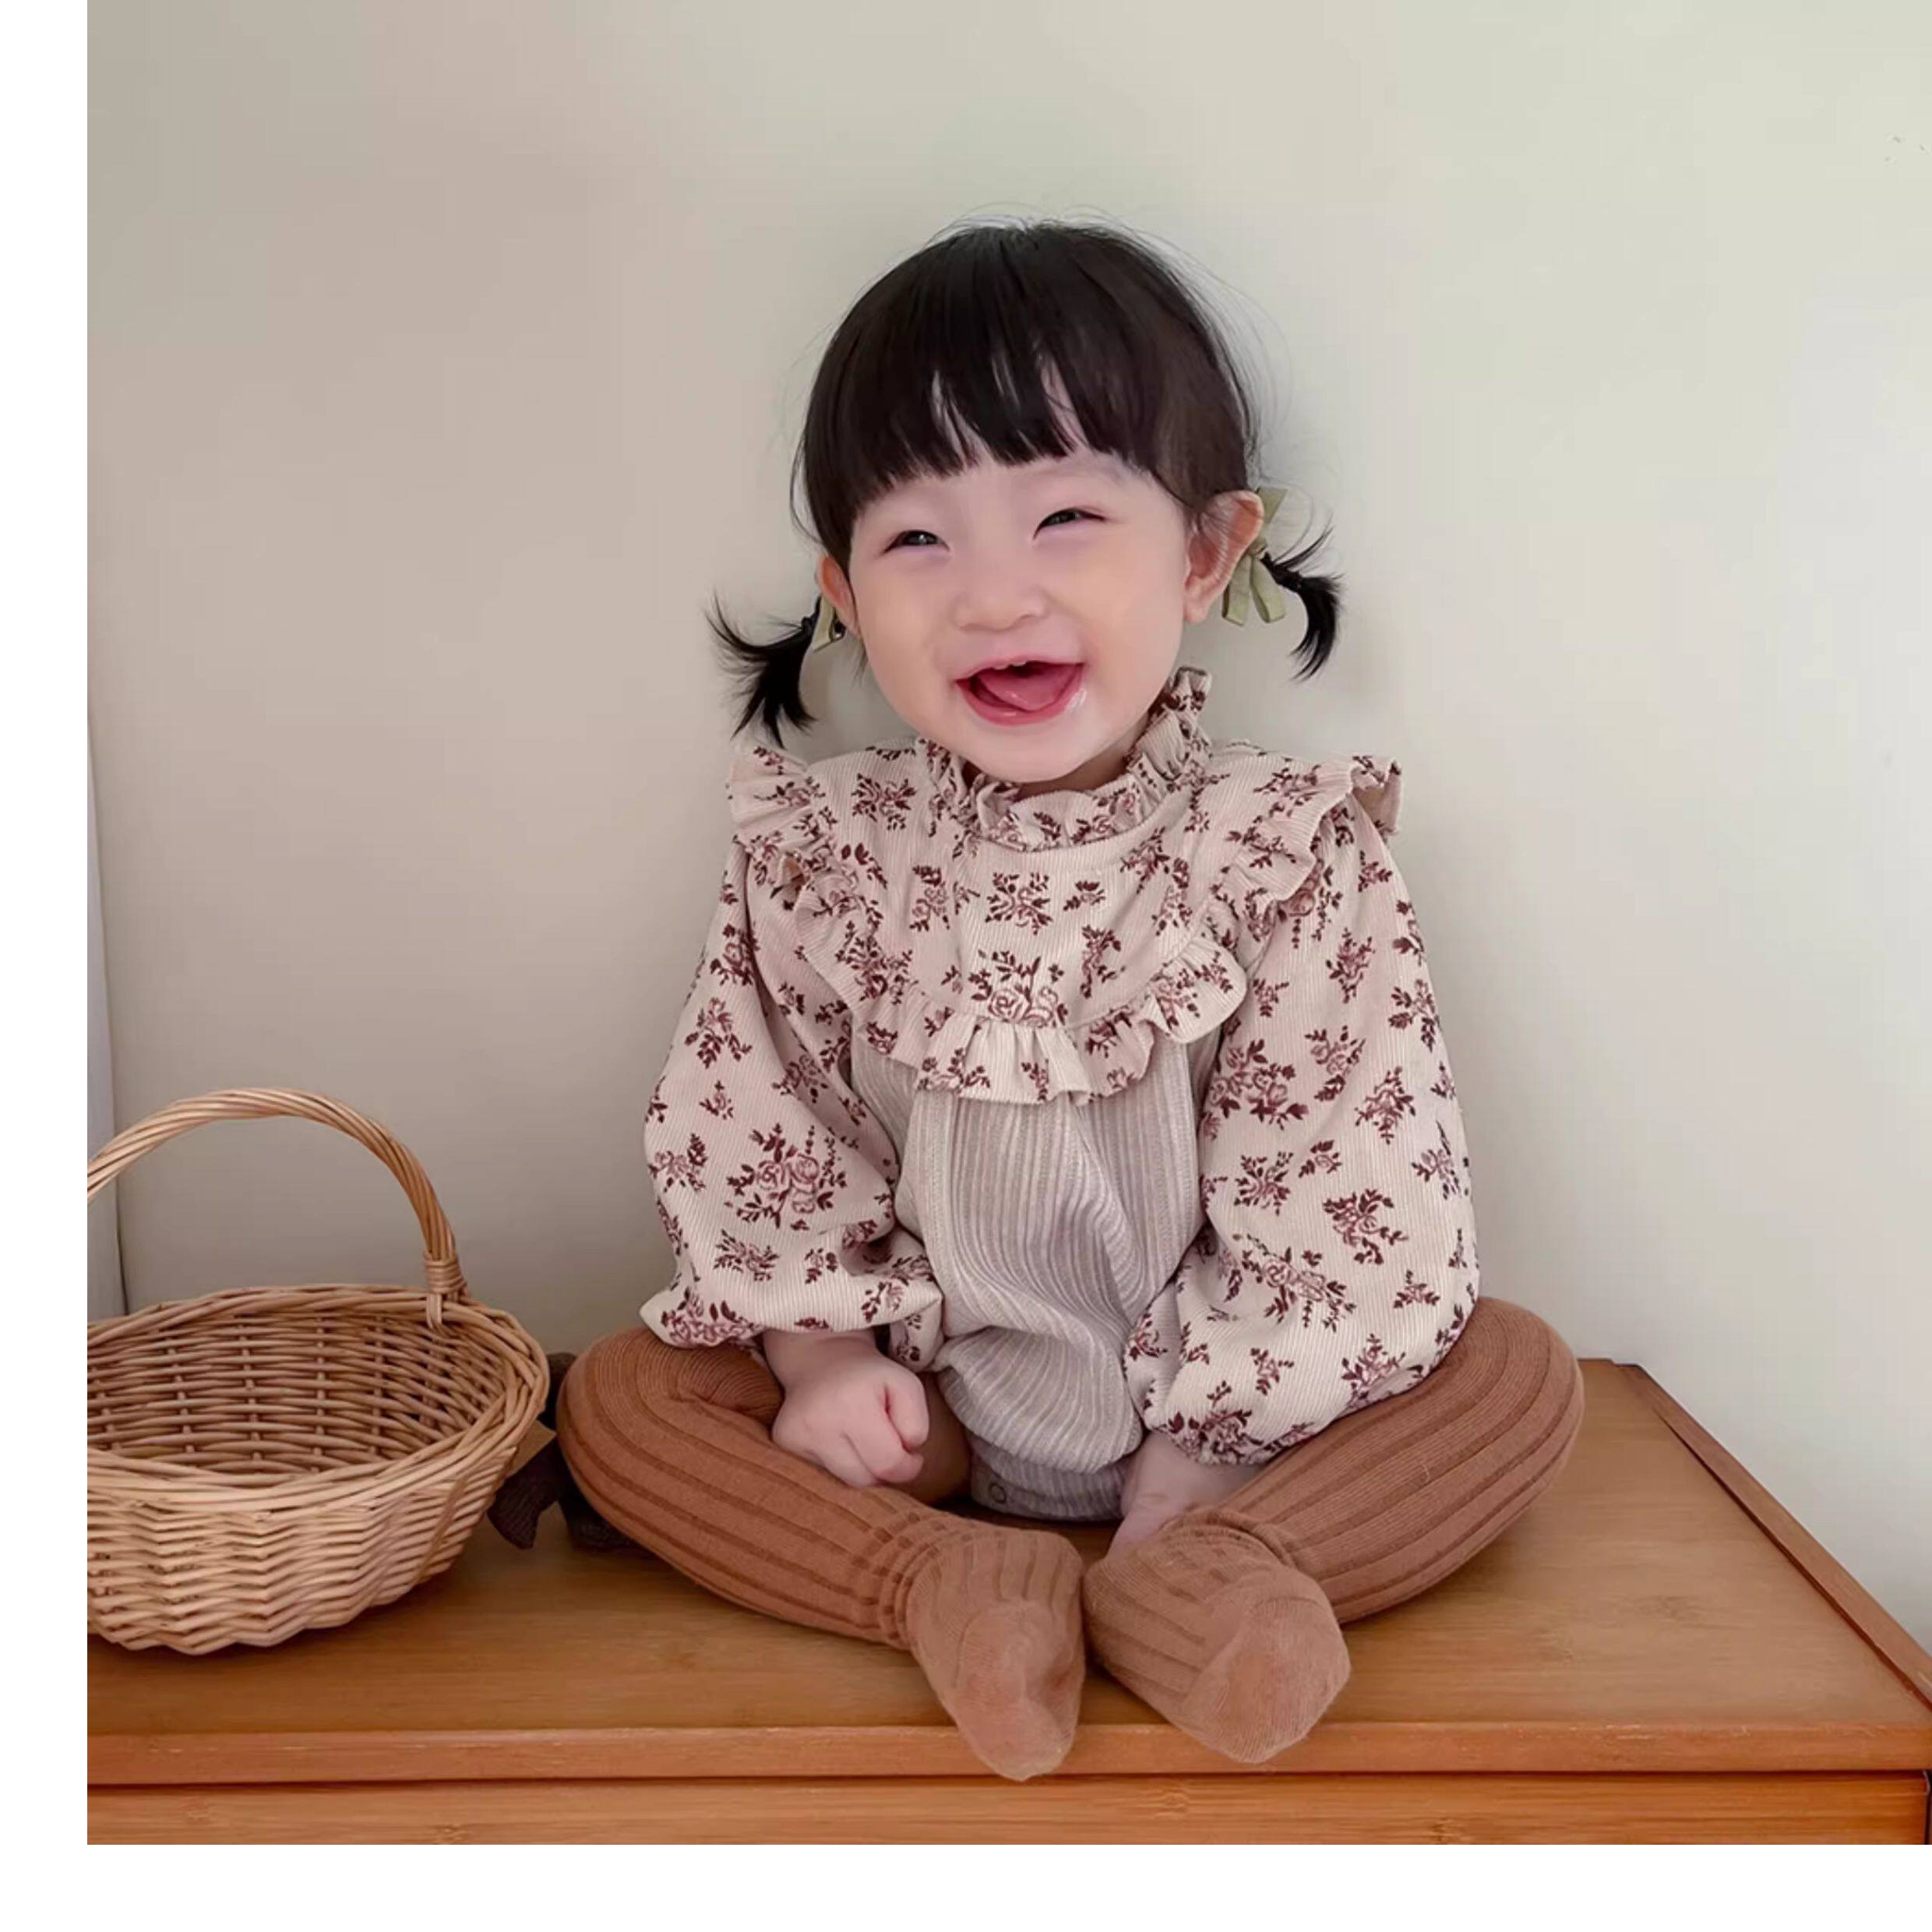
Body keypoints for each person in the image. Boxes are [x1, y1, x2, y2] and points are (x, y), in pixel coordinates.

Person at [539, 217, 1584, 1782]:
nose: (990, 596)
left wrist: (1208, 1447)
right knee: (626, 1401)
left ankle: (1210, 1572)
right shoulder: (829, 855)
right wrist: (823, 1364)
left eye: (1067, 517)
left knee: (1516, 1377)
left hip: (1238, 1440)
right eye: (917, 540)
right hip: (930, 1419)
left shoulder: (1279, 851)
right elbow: (760, 1130)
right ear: (842, 593)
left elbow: (1343, 1181)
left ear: (1205, 553)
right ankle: (944, 1585)